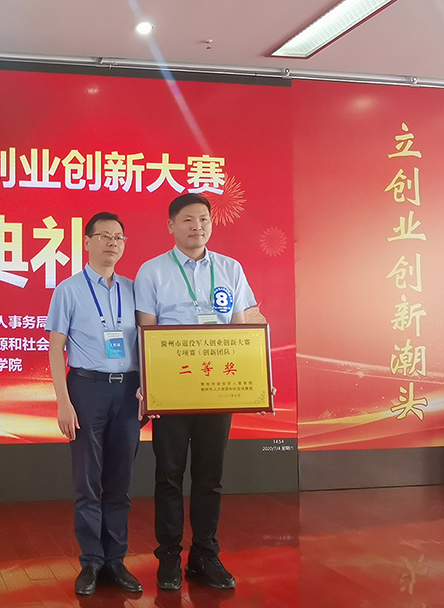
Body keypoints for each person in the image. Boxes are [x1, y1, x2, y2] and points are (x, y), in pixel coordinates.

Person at [134, 193, 258, 591]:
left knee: (210, 477)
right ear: (171, 225)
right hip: (171, 391)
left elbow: (241, 329)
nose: (197, 226)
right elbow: (146, 331)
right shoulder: (152, 271)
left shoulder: (230, 268)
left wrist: (256, 377)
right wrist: (147, 387)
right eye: (188, 219)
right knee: (169, 476)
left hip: (216, 388)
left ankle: (205, 554)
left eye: (203, 219)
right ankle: (169, 556)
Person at [45, 212, 144, 596]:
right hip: (86, 389)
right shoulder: (68, 290)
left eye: (118, 237)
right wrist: (63, 402)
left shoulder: (135, 290)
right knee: (88, 481)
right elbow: (56, 349)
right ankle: (91, 561)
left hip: (128, 391)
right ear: (86, 242)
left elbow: (147, 343)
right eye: (104, 236)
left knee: (120, 481)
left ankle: (115, 560)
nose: (112, 243)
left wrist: (148, 390)